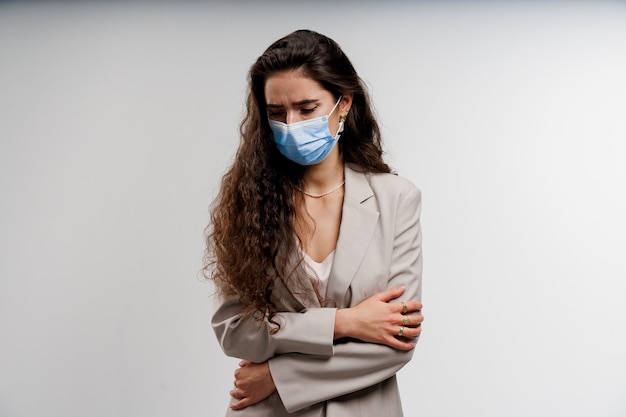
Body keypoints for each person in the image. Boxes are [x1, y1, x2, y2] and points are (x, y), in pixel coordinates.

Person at [204, 29, 423, 417]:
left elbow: (396, 341)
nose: (290, 124)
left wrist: (277, 375)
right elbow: (235, 330)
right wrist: (346, 322)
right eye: (276, 113)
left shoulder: (396, 198)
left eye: (306, 109)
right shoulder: (248, 202)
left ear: (344, 103)